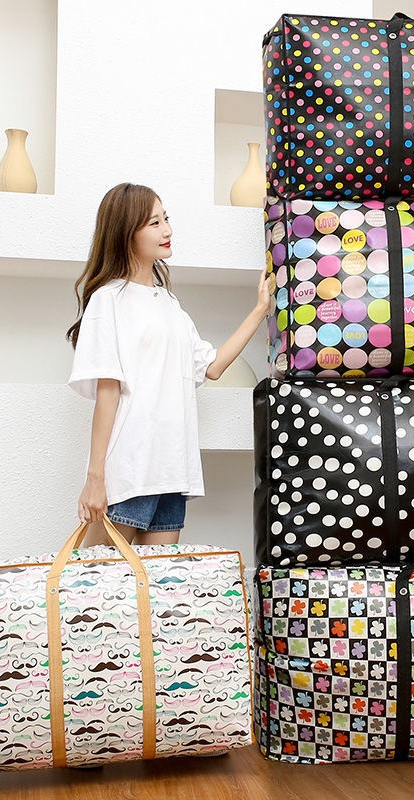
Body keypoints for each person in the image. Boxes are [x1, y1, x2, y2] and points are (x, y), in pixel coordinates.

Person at [66, 182, 270, 546]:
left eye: (166, 219)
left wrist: (260, 310)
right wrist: (95, 477)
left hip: (172, 473)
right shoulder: (108, 301)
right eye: (154, 223)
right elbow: (108, 391)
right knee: (95, 579)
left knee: (159, 583)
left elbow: (212, 367)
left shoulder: (170, 305)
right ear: (126, 233)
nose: (167, 230)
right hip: (131, 471)